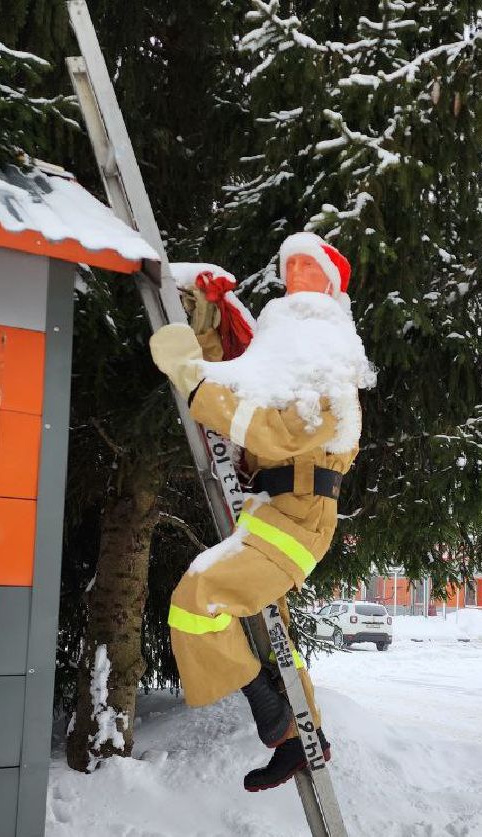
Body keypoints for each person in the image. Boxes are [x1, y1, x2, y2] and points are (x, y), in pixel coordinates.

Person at [149, 233, 373, 791]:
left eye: (308, 269)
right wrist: (204, 329)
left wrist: (194, 381)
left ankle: (271, 713)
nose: (295, 276)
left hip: (300, 518)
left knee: (198, 597)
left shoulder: (333, 375)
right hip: (268, 510)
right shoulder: (289, 363)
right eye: (289, 267)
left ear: (330, 289)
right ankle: (302, 737)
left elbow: (273, 434)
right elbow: (244, 388)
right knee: (276, 640)